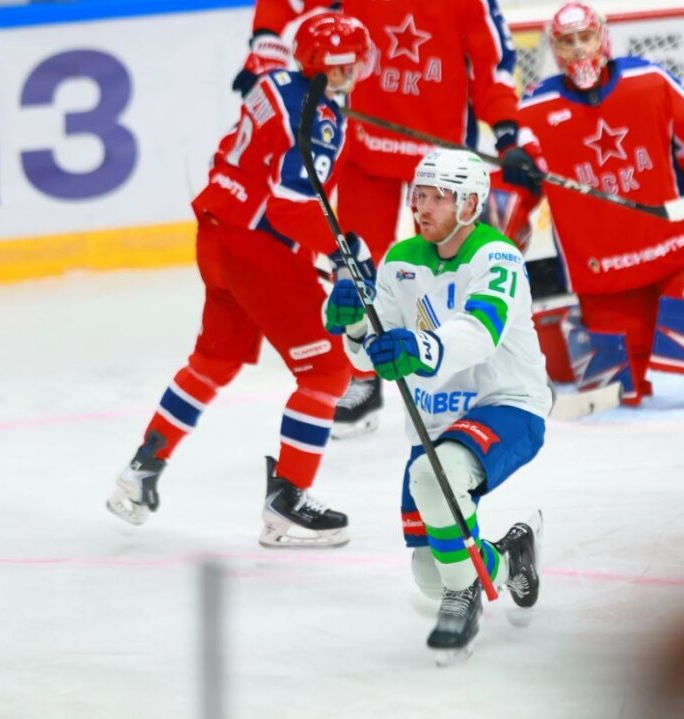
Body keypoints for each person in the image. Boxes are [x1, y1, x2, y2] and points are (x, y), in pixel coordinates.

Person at [105, 14, 374, 548]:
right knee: (327, 371)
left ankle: (141, 470)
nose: (355, 74)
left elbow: (254, 126)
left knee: (215, 360)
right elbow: (292, 206)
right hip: (258, 249)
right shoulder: (319, 121)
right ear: (329, 69)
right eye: (348, 66)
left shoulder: (273, 81)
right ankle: (288, 503)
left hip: (218, 233)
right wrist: (344, 249)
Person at [234, 0, 545, 438]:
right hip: (367, 150)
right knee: (357, 264)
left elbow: (492, 65)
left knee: (451, 270)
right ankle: (362, 379)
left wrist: (508, 132)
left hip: (440, 159)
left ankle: (467, 377)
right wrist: (266, 44)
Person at [323, 149, 549, 657]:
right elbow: (371, 354)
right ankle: (511, 559)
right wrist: (355, 325)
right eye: (419, 195)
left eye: (437, 198)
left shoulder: (497, 257)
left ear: (469, 204)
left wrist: (421, 349)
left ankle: (464, 601)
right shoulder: (401, 259)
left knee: (432, 476)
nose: (421, 207)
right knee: (430, 573)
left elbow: (479, 333)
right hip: (435, 419)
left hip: (506, 403)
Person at [491, 1, 684, 406]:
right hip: (605, 279)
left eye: (585, 37)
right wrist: (495, 221)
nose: (578, 49)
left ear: (602, 38)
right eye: (567, 42)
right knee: (622, 400)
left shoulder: (649, 82)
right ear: (555, 50)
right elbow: (508, 195)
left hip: (682, 260)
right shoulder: (534, 111)